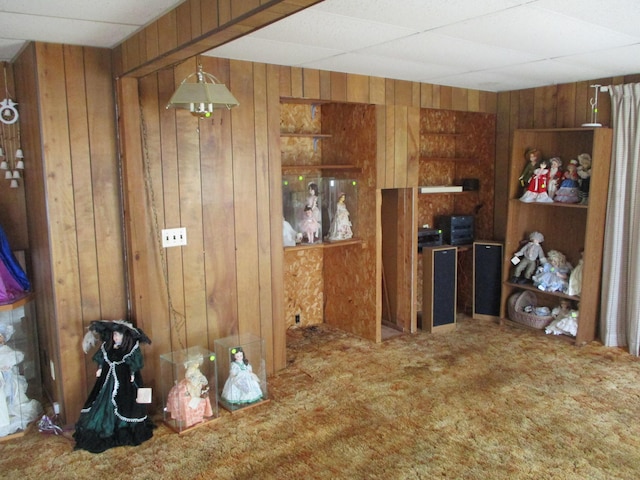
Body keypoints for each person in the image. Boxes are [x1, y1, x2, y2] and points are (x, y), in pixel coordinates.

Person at [74, 320, 155, 453]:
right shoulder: (108, 348)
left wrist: (132, 374)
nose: (115, 337)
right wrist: (100, 368)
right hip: (107, 380)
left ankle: (124, 426)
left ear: (124, 337)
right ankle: (106, 425)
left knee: (124, 402)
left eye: (118, 335)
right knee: (102, 400)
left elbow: (134, 364)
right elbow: (101, 359)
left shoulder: (129, 350)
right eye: (114, 335)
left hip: (124, 382)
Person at [0, 323, 42, 437]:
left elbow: (15, 357)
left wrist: (6, 367)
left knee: (15, 395)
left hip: (8, 379)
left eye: (1, 336)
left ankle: (11, 412)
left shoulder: (4, 350)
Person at [166, 355, 213, 428]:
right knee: (188, 396)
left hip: (197, 385)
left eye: (198, 363)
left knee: (200, 396)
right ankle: (189, 416)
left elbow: (200, 376)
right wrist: (195, 380)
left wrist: (201, 379)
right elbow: (188, 376)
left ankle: (198, 415)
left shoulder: (196, 370)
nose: (197, 364)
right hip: (190, 385)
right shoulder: (190, 370)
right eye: (196, 363)